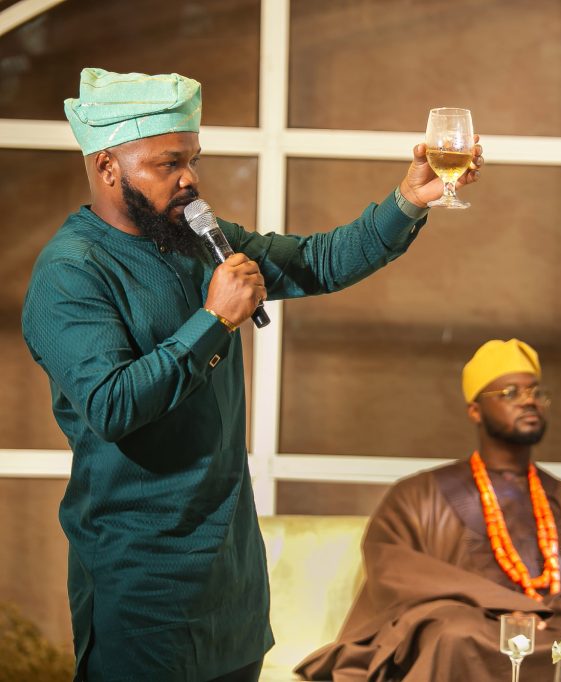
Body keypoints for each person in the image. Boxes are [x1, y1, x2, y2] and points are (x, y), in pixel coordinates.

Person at [21, 67, 482, 682]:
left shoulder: (196, 239)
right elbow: (111, 405)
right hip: (144, 585)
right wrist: (215, 319)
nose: (190, 178)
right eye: (169, 163)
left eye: (193, 159)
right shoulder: (71, 272)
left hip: (231, 574)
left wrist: (408, 201)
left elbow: (318, 261)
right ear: (108, 166)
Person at [296, 339, 561, 681]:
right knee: (455, 634)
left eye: (535, 392)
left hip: (555, 624)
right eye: (510, 393)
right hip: (475, 627)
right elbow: (391, 567)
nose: (529, 401)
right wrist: (504, 604)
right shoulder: (417, 495)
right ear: (475, 410)